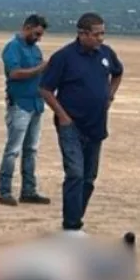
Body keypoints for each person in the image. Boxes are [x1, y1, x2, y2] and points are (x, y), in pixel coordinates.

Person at [39, 12, 124, 234]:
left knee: (89, 178)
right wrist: (63, 117)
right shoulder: (64, 57)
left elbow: (118, 73)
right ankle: (71, 226)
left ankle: (77, 217)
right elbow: (45, 89)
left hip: (96, 125)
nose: (101, 39)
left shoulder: (106, 54)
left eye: (103, 34)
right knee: (75, 173)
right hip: (71, 126)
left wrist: (110, 96)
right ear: (82, 34)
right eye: (97, 34)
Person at [0, 14, 51, 205]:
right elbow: (15, 73)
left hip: (36, 104)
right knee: (13, 150)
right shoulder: (12, 48)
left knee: (31, 149)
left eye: (40, 35)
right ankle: (5, 191)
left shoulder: (35, 50)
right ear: (27, 27)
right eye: (36, 33)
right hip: (20, 104)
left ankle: (28, 190)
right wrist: (40, 68)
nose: (38, 38)